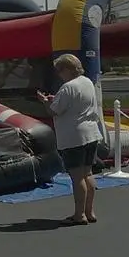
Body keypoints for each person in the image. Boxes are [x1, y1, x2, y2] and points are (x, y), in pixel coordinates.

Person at [37, 54, 103, 225]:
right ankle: (90, 211)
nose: (59, 74)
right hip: (91, 132)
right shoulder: (87, 82)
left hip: (74, 136)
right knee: (88, 173)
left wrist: (45, 102)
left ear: (67, 69)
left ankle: (79, 214)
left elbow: (54, 111)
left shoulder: (67, 87)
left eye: (60, 70)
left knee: (77, 176)